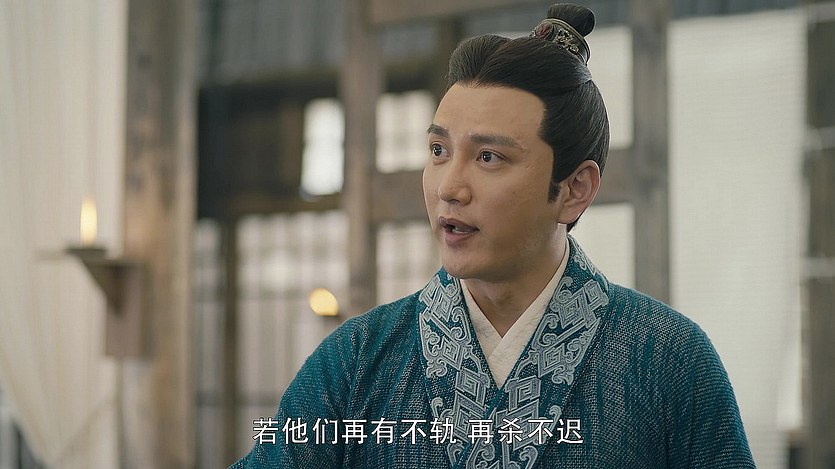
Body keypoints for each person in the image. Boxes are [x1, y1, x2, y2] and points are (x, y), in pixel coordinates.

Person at [231, 3, 755, 468]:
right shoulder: (355, 361)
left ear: (574, 190)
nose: (449, 188)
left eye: (488, 157)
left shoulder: (670, 360)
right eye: (439, 151)